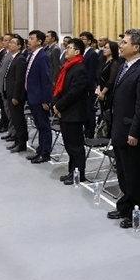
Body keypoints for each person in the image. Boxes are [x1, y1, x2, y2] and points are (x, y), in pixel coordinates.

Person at [106, 29, 140, 228]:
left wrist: (134, 131)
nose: (121, 45)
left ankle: (138, 211)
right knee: (123, 172)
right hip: (119, 126)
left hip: (131, 131)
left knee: (134, 174)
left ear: (136, 47)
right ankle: (125, 205)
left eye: (124, 42)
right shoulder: (124, 66)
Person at [53, 38, 89, 185]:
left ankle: (79, 174)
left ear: (77, 51)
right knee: (69, 145)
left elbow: (74, 93)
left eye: (69, 48)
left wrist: (58, 105)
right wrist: (57, 104)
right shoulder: (68, 66)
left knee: (75, 146)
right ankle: (71, 172)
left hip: (74, 113)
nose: (66, 50)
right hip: (66, 112)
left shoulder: (79, 69)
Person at [24, 30, 53, 164]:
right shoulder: (32, 55)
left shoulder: (43, 56)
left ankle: (45, 153)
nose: (29, 41)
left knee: (44, 126)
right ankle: (40, 150)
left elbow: (46, 80)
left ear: (39, 41)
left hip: (40, 97)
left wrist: (45, 99)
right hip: (32, 96)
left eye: (32, 38)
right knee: (39, 125)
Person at [3, 35, 28, 153]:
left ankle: (22, 143)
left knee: (19, 120)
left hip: (15, 95)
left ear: (19, 46)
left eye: (13, 43)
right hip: (9, 93)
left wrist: (15, 96)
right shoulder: (13, 57)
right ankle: (17, 141)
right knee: (14, 119)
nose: (10, 44)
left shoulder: (20, 59)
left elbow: (19, 79)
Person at [96, 41, 120, 133]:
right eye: (104, 47)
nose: (104, 49)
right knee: (102, 113)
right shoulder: (104, 61)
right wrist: (99, 89)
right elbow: (99, 77)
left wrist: (103, 92)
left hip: (108, 92)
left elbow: (111, 80)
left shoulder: (114, 63)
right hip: (101, 90)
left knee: (108, 115)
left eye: (107, 48)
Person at [79, 31, 98, 139]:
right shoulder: (82, 53)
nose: (81, 41)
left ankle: (90, 132)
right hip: (82, 86)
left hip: (89, 88)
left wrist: (88, 87)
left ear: (89, 41)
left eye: (83, 39)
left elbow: (91, 73)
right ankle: (85, 129)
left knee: (89, 110)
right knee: (84, 110)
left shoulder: (92, 54)